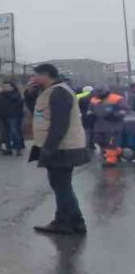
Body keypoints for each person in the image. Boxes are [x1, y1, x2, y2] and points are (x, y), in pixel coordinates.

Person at [28, 63, 90, 235]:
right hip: (59, 146)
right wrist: (30, 94)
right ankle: (75, 222)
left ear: (46, 75)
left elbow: (59, 124)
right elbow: (39, 113)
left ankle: (65, 222)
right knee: (61, 185)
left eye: (36, 75)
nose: (34, 79)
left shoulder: (59, 92)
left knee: (61, 185)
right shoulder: (49, 91)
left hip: (63, 148)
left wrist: (49, 149)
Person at [89, 86, 131, 167]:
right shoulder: (94, 99)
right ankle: (118, 152)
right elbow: (90, 109)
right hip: (99, 125)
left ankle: (111, 161)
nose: (98, 94)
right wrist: (90, 115)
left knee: (111, 143)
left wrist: (116, 115)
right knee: (99, 141)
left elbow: (125, 109)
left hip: (113, 125)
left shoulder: (117, 99)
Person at [0, 81, 26, 155]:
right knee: (6, 133)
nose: (5, 88)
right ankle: (8, 149)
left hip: (14, 115)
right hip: (4, 115)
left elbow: (14, 99)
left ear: (12, 87)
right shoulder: (1, 95)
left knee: (14, 132)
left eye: (7, 86)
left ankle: (18, 148)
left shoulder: (16, 94)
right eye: (4, 86)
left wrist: (5, 93)